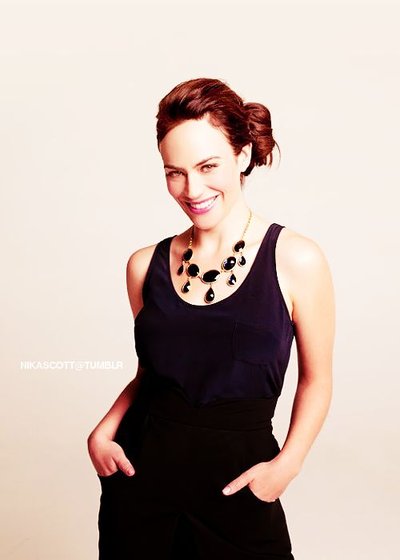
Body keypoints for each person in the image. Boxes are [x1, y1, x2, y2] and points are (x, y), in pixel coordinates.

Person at [87, 77, 335, 560]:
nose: (192, 189)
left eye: (207, 166)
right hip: (140, 484)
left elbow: (317, 380)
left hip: (237, 488)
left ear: (242, 155)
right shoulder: (144, 265)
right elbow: (152, 374)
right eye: (175, 172)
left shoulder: (297, 259)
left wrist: (288, 465)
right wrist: (104, 429)